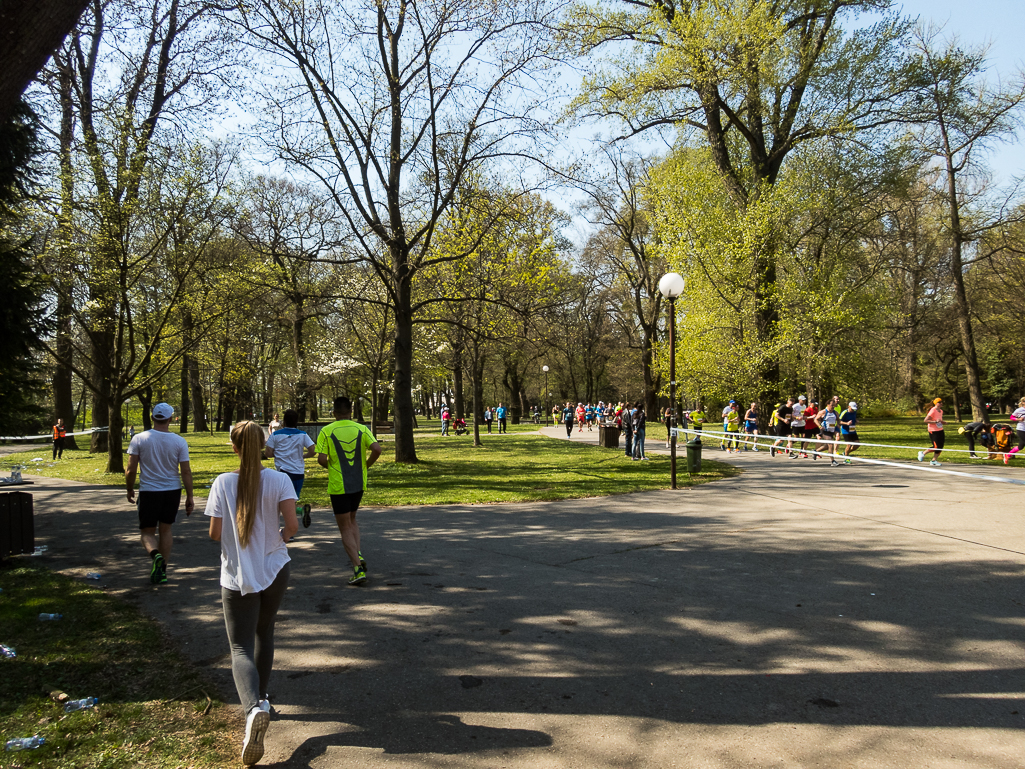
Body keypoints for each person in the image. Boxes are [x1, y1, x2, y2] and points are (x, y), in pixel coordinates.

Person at [206, 420, 297, 766]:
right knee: (265, 632)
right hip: (275, 568)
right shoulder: (280, 479)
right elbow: (290, 526)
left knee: (240, 646)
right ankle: (263, 699)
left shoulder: (222, 483)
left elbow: (215, 534)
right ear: (263, 445)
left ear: (234, 447)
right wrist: (276, 540)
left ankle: (252, 710)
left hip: (236, 575)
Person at [316, 397, 382, 586]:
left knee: (344, 526)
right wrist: (365, 466)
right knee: (352, 519)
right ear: (350, 412)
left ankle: (357, 569)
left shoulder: (327, 431)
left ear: (334, 413)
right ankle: (358, 553)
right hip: (358, 483)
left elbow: (321, 459)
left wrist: (330, 466)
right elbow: (377, 449)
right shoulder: (361, 428)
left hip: (339, 485)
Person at [126, 403, 194, 584]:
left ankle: (155, 556)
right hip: (172, 491)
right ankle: (162, 571)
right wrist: (190, 496)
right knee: (166, 530)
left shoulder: (139, 439)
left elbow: (130, 469)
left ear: (152, 418)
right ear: (170, 419)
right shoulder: (179, 441)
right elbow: (185, 471)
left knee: (147, 532)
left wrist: (129, 488)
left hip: (149, 491)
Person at [263, 409, 316, 527]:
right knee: (291, 501)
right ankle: (300, 512)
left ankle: (288, 529)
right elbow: (313, 451)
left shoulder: (276, 435)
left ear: (284, 422)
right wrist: (303, 456)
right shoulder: (303, 434)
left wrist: (277, 454)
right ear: (297, 421)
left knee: (281, 503)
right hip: (298, 473)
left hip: (282, 473)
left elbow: (267, 453)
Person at [917, 397, 945, 466]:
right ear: (936, 403)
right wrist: (935, 421)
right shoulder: (933, 410)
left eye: (941, 402)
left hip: (940, 429)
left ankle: (934, 461)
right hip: (933, 430)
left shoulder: (941, 411)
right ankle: (923, 453)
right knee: (936, 446)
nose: (941, 403)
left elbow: (939, 420)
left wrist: (943, 422)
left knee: (940, 446)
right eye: (939, 402)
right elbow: (926, 420)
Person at [814, 401, 841, 465]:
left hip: (831, 431)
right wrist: (820, 426)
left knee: (827, 446)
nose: (833, 407)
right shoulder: (823, 412)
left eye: (834, 405)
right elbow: (815, 419)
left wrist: (838, 425)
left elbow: (839, 420)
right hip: (825, 431)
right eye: (832, 405)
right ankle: (833, 461)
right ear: (828, 405)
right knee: (831, 444)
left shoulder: (835, 413)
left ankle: (816, 451)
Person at [1006, 397, 1025, 463]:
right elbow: (1011, 417)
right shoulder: (1019, 410)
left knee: (1020, 447)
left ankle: (1008, 455)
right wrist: (1019, 419)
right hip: (1021, 429)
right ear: (1023, 402)